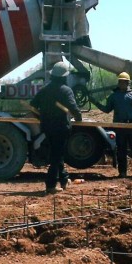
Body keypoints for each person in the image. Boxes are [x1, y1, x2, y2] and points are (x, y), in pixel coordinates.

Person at [30, 61, 82, 195]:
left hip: (47, 127)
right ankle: (51, 185)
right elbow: (73, 108)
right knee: (56, 155)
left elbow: (32, 106)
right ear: (64, 77)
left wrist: (40, 117)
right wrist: (78, 118)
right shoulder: (66, 90)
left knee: (57, 153)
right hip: (61, 128)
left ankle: (64, 180)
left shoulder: (44, 90)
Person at [93, 72, 132, 177]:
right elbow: (106, 109)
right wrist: (95, 102)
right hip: (119, 126)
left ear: (128, 83)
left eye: (124, 82)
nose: (122, 84)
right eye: (120, 82)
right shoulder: (114, 96)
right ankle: (122, 172)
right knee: (121, 149)